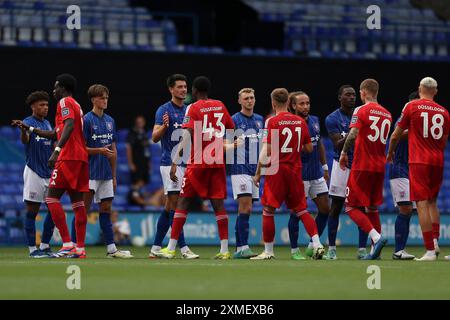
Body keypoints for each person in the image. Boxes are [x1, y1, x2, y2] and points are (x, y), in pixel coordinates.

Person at [155, 76, 236, 259]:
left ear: (194, 91)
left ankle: (171, 247)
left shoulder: (193, 107)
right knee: (218, 205)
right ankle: (224, 250)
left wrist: (175, 161)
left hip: (198, 162)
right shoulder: (221, 105)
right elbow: (231, 128)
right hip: (216, 162)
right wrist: (224, 145)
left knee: (183, 202)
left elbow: (187, 135)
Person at [14, 74, 89, 258]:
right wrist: (29, 129)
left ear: (63, 88)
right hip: (80, 158)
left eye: (56, 87)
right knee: (78, 203)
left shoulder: (64, 103)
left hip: (68, 156)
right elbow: (56, 133)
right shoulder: (77, 105)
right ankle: (79, 248)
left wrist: (56, 151)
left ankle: (67, 244)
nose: (53, 91)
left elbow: (69, 126)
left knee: (51, 200)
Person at [251, 88, 325, 260]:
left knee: (268, 210)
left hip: (276, 170)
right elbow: (308, 148)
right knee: (301, 209)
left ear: (273, 103)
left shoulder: (271, 121)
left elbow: (266, 150)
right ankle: (317, 243)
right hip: (295, 170)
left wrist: (258, 174)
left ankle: (268, 252)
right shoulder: (300, 122)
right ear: (288, 102)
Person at [387, 77, 449, 261]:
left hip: (418, 161)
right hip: (437, 160)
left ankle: (430, 250)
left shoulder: (411, 106)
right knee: (433, 202)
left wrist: (390, 152)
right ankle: (436, 241)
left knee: (421, 203)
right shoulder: (444, 112)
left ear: (419, 88)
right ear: (436, 91)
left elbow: (396, 135)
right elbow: (443, 141)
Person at [70, 84, 133, 258]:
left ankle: (111, 249)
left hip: (105, 174)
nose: (105, 100)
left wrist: (113, 175)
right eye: (101, 97)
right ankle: (75, 246)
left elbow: (113, 150)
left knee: (106, 209)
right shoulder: (86, 120)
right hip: (89, 172)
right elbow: (79, 148)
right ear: (93, 99)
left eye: (106, 97)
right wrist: (99, 151)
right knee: (83, 210)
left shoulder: (110, 121)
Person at [339, 78, 391, 260]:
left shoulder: (361, 110)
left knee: (351, 207)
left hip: (363, 164)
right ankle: (373, 252)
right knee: (372, 208)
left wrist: (344, 153)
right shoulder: (387, 113)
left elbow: (353, 134)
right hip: (379, 166)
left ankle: (376, 237)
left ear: (363, 92)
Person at [149, 74, 198, 259]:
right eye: (179, 87)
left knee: (170, 206)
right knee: (176, 205)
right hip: (169, 163)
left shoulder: (189, 110)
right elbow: (154, 137)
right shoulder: (164, 109)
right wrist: (164, 127)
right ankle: (183, 248)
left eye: (185, 87)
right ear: (171, 89)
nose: (183, 90)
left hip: (187, 163)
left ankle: (155, 247)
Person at [324, 85, 369, 260]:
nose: (351, 97)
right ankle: (332, 249)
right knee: (335, 207)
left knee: (361, 207)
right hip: (341, 166)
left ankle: (362, 250)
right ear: (340, 97)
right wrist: (354, 132)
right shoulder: (332, 118)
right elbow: (337, 144)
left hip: (359, 165)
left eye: (353, 95)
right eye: (347, 95)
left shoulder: (361, 114)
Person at [11, 91, 55, 257]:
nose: (45, 108)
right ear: (33, 106)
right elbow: (25, 140)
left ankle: (44, 245)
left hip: (49, 173)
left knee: (53, 210)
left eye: (46, 105)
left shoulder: (48, 124)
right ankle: (32, 249)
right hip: (34, 171)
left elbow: (52, 144)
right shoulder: (27, 122)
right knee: (32, 211)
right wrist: (23, 130)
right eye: (41, 105)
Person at [287, 91, 330, 260]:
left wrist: (325, 167)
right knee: (295, 214)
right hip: (299, 175)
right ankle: (294, 249)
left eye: (308, 103)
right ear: (293, 106)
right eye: (302, 104)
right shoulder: (289, 124)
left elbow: (318, 144)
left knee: (325, 209)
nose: (305, 106)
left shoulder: (315, 121)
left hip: (316, 173)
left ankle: (313, 245)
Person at [230, 88, 264, 259]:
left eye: (252, 97)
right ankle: (243, 246)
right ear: (240, 101)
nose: (250, 100)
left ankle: (238, 248)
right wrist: (232, 145)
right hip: (239, 168)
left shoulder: (260, 120)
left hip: (255, 170)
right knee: (246, 207)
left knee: (246, 210)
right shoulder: (233, 120)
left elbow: (264, 146)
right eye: (246, 98)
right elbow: (224, 144)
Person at [389, 91, 419, 260]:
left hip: (413, 169)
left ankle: (401, 250)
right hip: (399, 168)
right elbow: (398, 133)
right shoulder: (403, 120)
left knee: (410, 211)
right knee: (405, 208)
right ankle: (398, 250)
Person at [126, 115, 151, 186]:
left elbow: (147, 150)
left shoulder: (144, 134)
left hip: (145, 163)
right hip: (137, 162)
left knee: (145, 181)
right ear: (135, 123)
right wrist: (131, 163)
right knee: (137, 181)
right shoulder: (132, 134)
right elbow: (128, 149)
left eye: (141, 122)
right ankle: (134, 194)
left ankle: (142, 195)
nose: (140, 124)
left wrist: (149, 163)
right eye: (138, 122)